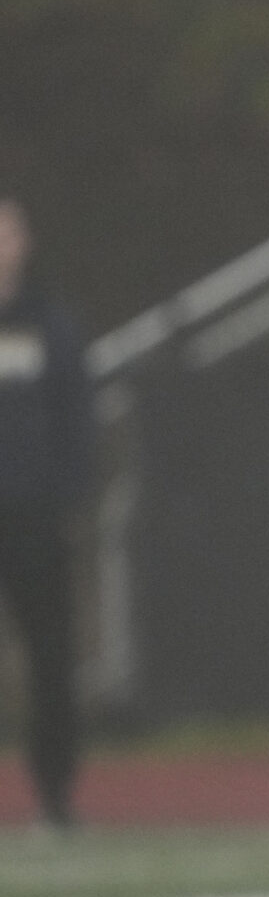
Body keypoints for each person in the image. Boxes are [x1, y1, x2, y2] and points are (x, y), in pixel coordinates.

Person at [0, 198, 91, 830]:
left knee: (51, 656)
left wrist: (64, 498)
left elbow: (76, 421)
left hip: (34, 518)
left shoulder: (53, 328)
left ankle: (55, 795)